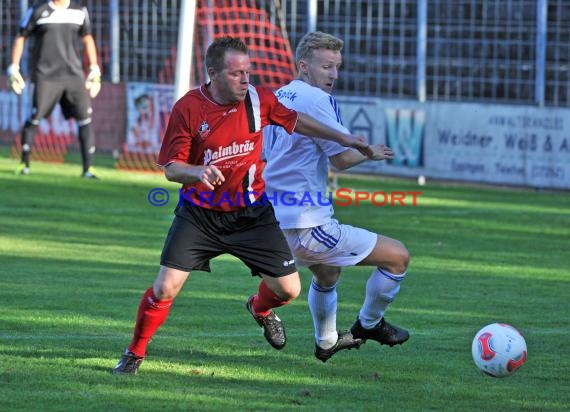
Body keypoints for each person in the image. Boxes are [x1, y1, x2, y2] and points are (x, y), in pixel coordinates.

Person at [112, 36, 373, 375]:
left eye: (248, 72)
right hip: (199, 216)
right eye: (236, 74)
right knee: (165, 288)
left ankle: (260, 309)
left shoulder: (258, 99)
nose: (245, 80)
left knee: (288, 289)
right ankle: (134, 353)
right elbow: (171, 168)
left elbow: (295, 120)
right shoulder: (188, 108)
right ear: (213, 73)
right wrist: (197, 171)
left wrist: (344, 138)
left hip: (251, 213)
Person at [262, 32, 410, 363]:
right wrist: (369, 153)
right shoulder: (317, 100)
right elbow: (340, 159)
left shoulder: (278, 95)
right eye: (326, 66)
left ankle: (327, 341)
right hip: (308, 222)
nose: (333, 75)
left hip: (275, 217)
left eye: (337, 67)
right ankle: (370, 324)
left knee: (327, 275)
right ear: (303, 66)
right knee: (398, 257)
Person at [7, 0, 102, 178]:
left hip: (73, 75)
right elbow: (21, 36)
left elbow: (87, 38)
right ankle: (24, 164)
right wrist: (13, 67)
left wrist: (94, 68)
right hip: (46, 75)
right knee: (35, 117)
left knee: (85, 119)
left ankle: (88, 169)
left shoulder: (79, 11)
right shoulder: (38, 9)